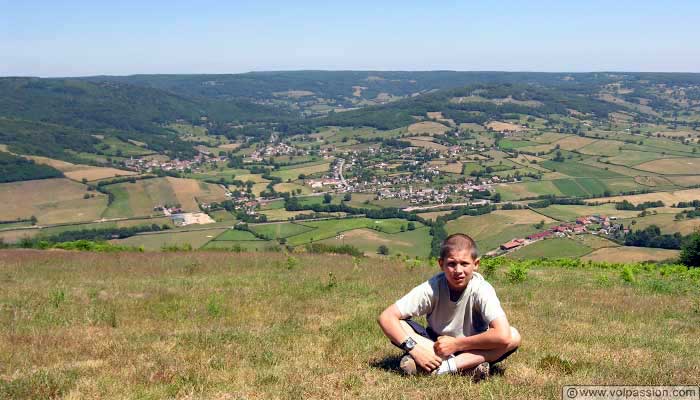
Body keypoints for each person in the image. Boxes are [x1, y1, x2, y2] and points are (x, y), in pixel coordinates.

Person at [377, 233, 521, 379]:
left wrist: (457, 344)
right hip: (435, 344)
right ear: (441, 264)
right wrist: (414, 349)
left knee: (513, 335)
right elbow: (386, 317)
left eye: (464, 264)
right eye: (452, 264)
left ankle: (443, 367)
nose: (458, 270)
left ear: (476, 264)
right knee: (399, 324)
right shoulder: (432, 287)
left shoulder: (482, 289)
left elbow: (503, 335)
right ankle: (467, 368)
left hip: (473, 346)